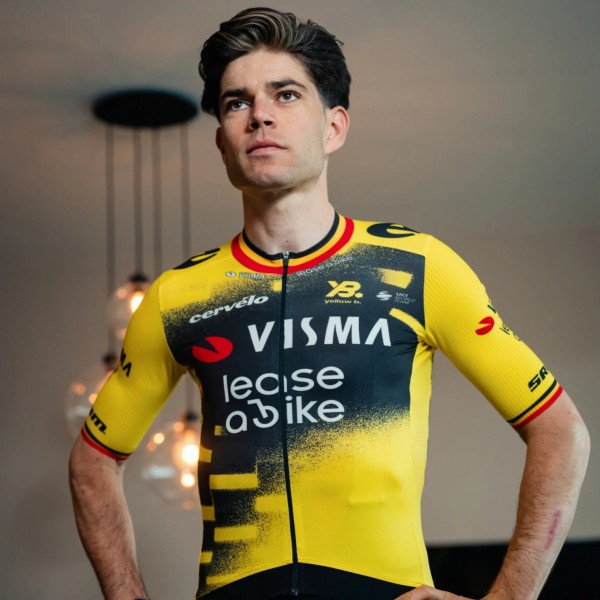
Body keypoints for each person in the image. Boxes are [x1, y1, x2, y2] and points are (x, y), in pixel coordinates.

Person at [69, 7, 590, 600]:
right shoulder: (176, 296)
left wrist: (511, 597)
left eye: (286, 94)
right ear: (222, 143)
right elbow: (92, 460)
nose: (260, 114)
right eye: (237, 103)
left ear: (334, 127)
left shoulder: (417, 267)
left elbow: (561, 431)